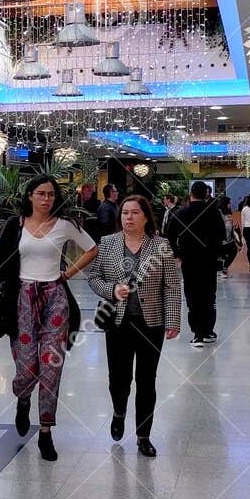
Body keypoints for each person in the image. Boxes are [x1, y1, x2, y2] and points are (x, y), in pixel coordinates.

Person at [0, 175, 97, 461]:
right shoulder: (16, 225)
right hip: (22, 298)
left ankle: (46, 432)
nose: (46, 199)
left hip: (55, 299)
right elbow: (1, 261)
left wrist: (66, 275)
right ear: (30, 196)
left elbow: (92, 249)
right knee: (27, 368)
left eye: (51, 194)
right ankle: (23, 398)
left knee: (51, 366)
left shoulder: (66, 225)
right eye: (41, 193)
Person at [88, 195, 180, 457]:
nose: (129, 217)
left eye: (135, 213)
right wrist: (111, 289)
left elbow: (172, 285)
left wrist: (173, 320)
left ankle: (143, 435)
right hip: (117, 323)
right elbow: (94, 278)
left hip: (151, 323)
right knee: (119, 379)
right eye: (125, 213)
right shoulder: (107, 244)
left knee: (146, 380)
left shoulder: (161, 246)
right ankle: (119, 411)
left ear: (146, 217)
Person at [166, 180, 226, 346]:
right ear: (206, 194)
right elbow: (222, 235)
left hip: (189, 260)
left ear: (190, 194)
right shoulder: (213, 212)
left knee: (192, 296)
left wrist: (177, 254)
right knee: (209, 295)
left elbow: (169, 234)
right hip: (209, 260)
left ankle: (197, 333)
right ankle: (208, 331)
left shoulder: (181, 213)